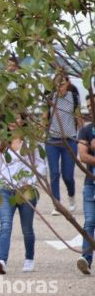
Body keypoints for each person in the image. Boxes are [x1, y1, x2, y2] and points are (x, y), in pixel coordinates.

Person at [0, 125, 46, 275]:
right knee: (5, 224)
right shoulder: (3, 141)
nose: (13, 121)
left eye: (17, 117)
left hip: (26, 191)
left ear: (23, 119)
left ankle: (29, 259)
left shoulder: (30, 142)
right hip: (5, 190)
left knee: (27, 229)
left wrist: (31, 181)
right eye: (10, 117)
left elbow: (41, 165)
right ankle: (2, 260)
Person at [45, 73, 81, 215]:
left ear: (68, 83)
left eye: (62, 84)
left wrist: (82, 136)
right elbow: (44, 117)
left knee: (67, 175)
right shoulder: (50, 98)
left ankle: (71, 196)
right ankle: (57, 204)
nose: (60, 87)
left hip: (70, 140)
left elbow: (78, 118)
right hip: (52, 140)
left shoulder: (73, 98)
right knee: (54, 173)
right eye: (57, 84)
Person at [76, 104, 95, 275]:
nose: (90, 109)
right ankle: (86, 259)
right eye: (88, 106)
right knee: (89, 222)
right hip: (91, 184)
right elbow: (82, 155)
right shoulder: (85, 131)